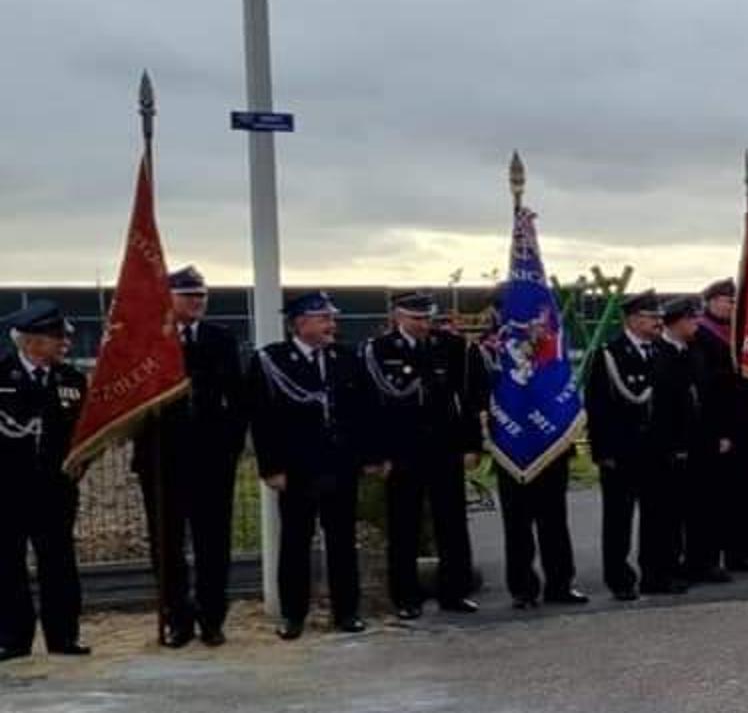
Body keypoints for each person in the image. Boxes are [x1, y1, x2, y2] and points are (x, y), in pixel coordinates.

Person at [248, 292, 379, 639]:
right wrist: (271, 467)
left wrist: (368, 457)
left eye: (331, 320)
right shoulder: (272, 361)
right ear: (300, 322)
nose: (331, 326)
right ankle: (293, 615)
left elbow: (364, 412)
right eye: (324, 319)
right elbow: (262, 420)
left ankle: (347, 611)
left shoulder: (345, 357)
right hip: (297, 469)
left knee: (342, 540)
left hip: (341, 465)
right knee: (295, 542)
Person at [132, 267, 246, 648]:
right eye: (188, 296)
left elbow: (237, 399)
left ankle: (212, 618)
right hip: (162, 461)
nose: (197, 302)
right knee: (167, 545)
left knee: (213, 542)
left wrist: (230, 448)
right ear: (168, 298)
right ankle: (176, 617)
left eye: (202, 296)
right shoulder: (148, 341)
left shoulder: (220, 339)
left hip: (211, 460)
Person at [360, 291, 487, 619]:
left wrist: (472, 445)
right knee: (404, 526)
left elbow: (467, 399)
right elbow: (371, 408)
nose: (422, 324)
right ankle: (405, 596)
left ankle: (454, 591)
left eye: (427, 318)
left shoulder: (451, 346)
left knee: (452, 523)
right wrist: (377, 455)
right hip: (403, 451)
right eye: (415, 318)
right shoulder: (379, 350)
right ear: (397, 317)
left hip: (444, 447)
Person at [481, 292, 587, 611]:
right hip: (511, 443)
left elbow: (561, 389)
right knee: (517, 524)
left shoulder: (551, 347)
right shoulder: (489, 351)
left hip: (549, 445)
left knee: (554, 520)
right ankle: (523, 588)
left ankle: (560, 584)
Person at [586, 291, 695, 597]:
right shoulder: (610, 353)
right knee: (619, 519)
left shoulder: (663, 353)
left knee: (658, 517)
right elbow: (597, 406)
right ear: (632, 319)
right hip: (622, 451)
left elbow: (677, 403)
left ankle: (656, 575)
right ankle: (620, 580)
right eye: (651, 317)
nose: (658, 322)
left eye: (659, 317)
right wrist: (602, 450)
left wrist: (679, 444)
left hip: (658, 450)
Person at [0, 301, 91, 660]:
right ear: (31, 342)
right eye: (56, 337)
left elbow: (84, 433)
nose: (65, 343)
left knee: (59, 564)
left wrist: (84, 460)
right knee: (7, 565)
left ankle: (63, 636)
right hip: (7, 491)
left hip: (55, 491)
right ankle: (12, 638)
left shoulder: (71, 379)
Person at [691, 278, 748, 572]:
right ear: (711, 302)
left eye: (734, 301)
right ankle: (733, 552)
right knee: (728, 493)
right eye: (728, 301)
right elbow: (708, 386)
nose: (732, 306)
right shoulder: (702, 335)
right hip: (726, 425)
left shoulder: (743, 334)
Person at [662, 297, 733, 586]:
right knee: (672, 512)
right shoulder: (661, 354)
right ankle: (672, 564)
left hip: (703, 441)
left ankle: (703, 562)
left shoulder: (695, 352)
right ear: (677, 322)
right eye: (692, 320)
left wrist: (720, 434)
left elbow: (710, 397)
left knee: (705, 506)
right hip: (675, 445)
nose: (697, 325)